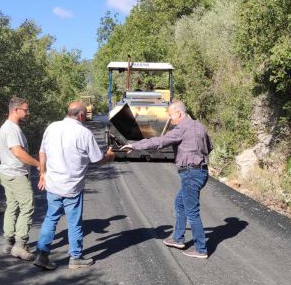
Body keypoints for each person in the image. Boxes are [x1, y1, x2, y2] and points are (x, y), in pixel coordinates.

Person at [121, 100, 213, 259]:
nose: (170, 119)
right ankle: (178, 238)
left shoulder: (182, 128)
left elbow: (160, 141)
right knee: (180, 203)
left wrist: (135, 145)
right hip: (200, 171)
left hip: (191, 173)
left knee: (192, 212)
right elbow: (209, 147)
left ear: (178, 113)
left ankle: (200, 248)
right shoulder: (199, 126)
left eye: (171, 115)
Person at [33, 101, 115, 270]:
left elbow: (42, 151)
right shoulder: (84, 133)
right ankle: (75, 257)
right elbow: (97, 160)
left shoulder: (52, 127)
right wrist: (109, 156)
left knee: (50, 218)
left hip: (53, 184)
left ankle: (42, 255)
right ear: (81, 115)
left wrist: (43, 172)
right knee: (74, 222)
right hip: (72, 187)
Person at [0, 97, 41, 261]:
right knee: (27, 206)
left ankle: (9, 241)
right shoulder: (12, 129)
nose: (28, 113)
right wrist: (38, 164)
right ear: (16, 110)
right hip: (16, 174)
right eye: (25, 109)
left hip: (7, 173)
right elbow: (18, 152)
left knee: (12, 205)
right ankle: (20, 245)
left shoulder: (7, 127)